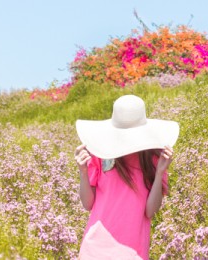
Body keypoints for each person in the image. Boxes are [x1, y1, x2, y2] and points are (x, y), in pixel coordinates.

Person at [74, 94, 180, 260]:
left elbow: (150, 210)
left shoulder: (154, 158)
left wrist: (160, 173)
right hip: (94, 249)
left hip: (132, 252)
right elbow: (88, 204)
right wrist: (83, 171)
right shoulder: (100, 153)